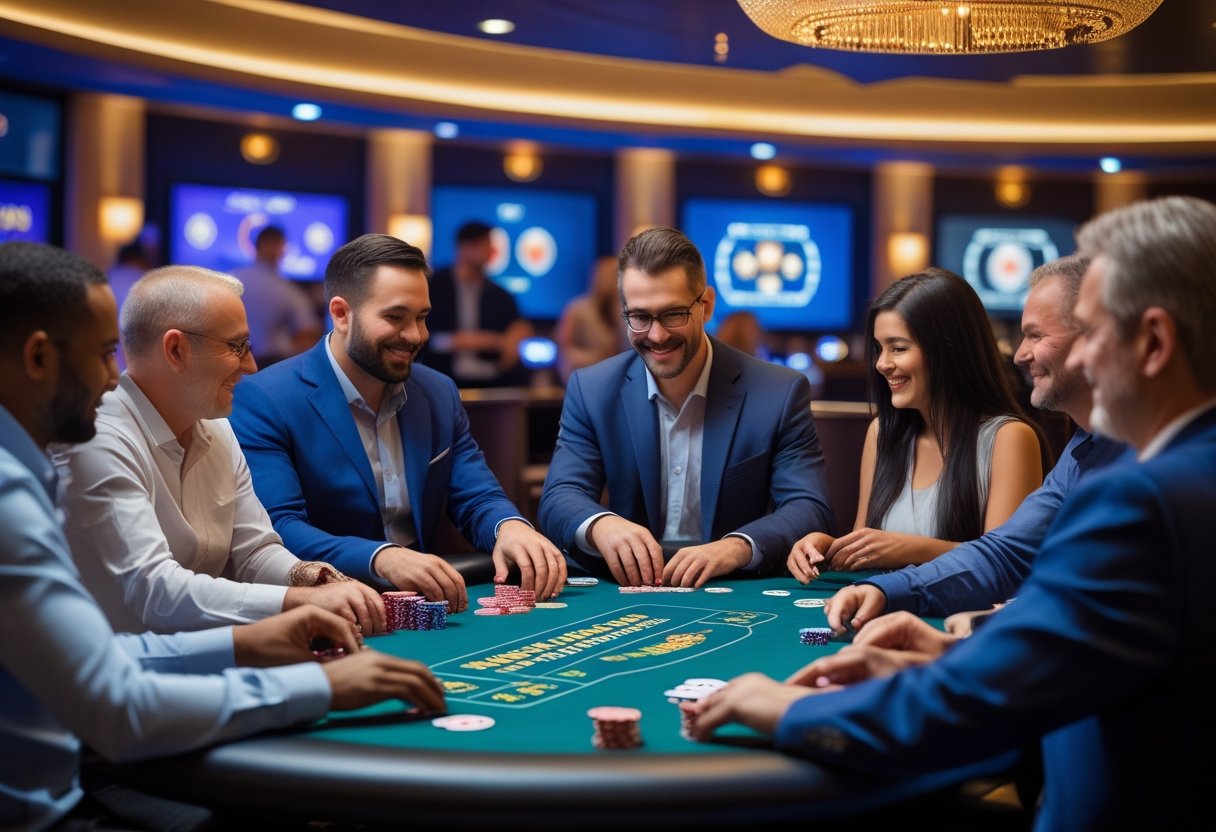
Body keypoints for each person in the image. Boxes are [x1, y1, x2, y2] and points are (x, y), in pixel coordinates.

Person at [683, 196, 1216, 830]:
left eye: (1093, 333)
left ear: (1154, 342)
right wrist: (918, 616)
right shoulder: (1099, 451)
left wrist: (788, 709)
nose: (1074, 359)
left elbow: (979, 701)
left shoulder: (1145, 499)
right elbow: (1012, 559)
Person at [0, 241, 444, 832]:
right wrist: (312, 681)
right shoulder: (51, 466)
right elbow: (129, 660)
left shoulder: (213, 424)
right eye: (104, 354)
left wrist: (271, 620)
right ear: (176, 350)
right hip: (74, 787)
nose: (113, 375)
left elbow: (110, 652)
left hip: (116, 738)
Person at [229, 234, 565, 613]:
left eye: (421, 317)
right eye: (395, 318)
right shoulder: (265, 397)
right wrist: (382, 557)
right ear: (341, 314)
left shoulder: (438, 392)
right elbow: (279, 528)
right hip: (325, 608)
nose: (416, 336)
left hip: (424, 606)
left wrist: (509, 526)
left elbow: (477, 496)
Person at [55, 265, 385, 635]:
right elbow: (156, 592)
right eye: (236, 346)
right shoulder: (97, 438)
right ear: (176, 350)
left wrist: (317, 581)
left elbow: (255, 550)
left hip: (205, 650)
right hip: (118, 662)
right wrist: (295, 601)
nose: (251, 365)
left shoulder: (217, 425)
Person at [821, 255, 1130, 632]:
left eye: (1036, 335)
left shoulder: (1165, 457)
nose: (1020, 355)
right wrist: (882, 589)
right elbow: (1005, 555)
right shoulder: (1083, 450)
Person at [539, 226, 834, 587]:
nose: (657, 335)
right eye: (640, 317)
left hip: (733, 586)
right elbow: (559, 497)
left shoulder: (778, 392)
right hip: (630, 588)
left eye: (673, 314)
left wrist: (736, 547)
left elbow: (810, 508)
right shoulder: (592, 389)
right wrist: (602, 524)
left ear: (705, 305)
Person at [787, 268, 1047, 578]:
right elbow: (867, 547)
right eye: (879, 348)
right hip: (880, 602)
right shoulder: (881, 433)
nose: (882, 364)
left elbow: (1005, 564)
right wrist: (827, 549)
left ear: (949, 350)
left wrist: (910, 549)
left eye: (898, 348)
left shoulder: (1010, 438)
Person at [422, 220, 534, 387]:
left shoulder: (500, 295)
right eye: (485, 244)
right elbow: (426, 338)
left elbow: (517, 329)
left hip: (492, 379)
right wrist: (466, 341)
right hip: (442, 376)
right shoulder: (432, 287)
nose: (491, 251)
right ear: (465, 248)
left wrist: (518, 335)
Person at [231, 224, 322, 366]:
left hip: (231, 364)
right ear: (282, 249)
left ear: (256, 246)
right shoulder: (289, 291)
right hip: (272, 365)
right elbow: (309, 335)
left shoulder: (229, 281)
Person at [555, 255, 627, 384]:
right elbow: (564, 352)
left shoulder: (625, 311)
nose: (610, 280)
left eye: (615, 275)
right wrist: (600, 358)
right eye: (606, 274)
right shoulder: (577, 309)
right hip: (586, 376)